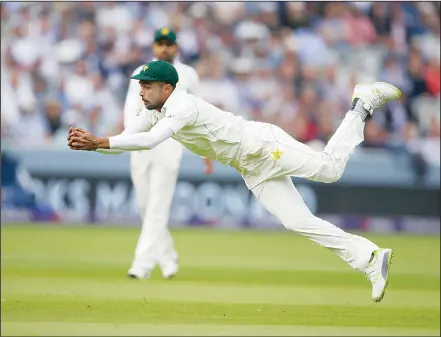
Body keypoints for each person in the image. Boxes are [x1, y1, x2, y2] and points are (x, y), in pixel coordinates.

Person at [68, 60, 401, 302]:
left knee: (330, 170)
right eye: (140, 84)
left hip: (261, 145)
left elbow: (151, 141)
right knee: (297, 221)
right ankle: (370, 259)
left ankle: (362, 104)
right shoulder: (151, 112)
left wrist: (99, 142)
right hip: (249, 167)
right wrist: (95, 145)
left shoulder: (181, 104)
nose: (140, 90)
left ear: (166, 88)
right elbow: (128, 139)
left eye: (146, 85)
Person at [122, 27, 206, 280]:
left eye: (168, 44)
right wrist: (128, 139)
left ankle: (141, 264)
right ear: (154, 47)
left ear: (176, 47)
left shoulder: (188, 75)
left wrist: (205, 151)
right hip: (140, 143)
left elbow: (198, 112)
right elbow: (131, 108)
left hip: (169, 144)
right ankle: (168, 257)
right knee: (146, 206)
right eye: (160, 43)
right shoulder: (141, 72)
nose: (164, 48)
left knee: (158, 206)